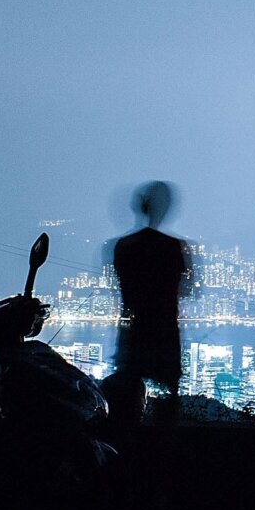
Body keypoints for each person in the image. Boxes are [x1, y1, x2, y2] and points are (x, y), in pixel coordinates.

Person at [102, 181, 192, 432]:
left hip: (134, 330)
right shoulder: (175, 247)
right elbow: (186, 290)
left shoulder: (123, 246)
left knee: (125, 400)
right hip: (165, 332)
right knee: (168, 400)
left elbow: (119, 287)